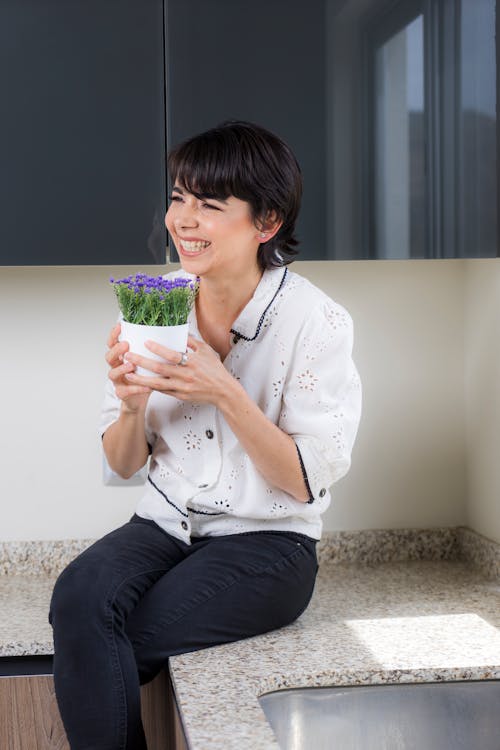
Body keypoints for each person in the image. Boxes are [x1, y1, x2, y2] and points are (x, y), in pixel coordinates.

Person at [49, 120, 362, 749]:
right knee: (78, 596)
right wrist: (132, 404)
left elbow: (303, 481)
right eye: (178, 198)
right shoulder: (153, 302)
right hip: (166, 522)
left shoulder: (316, 321)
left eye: (210, 206)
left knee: (107, 639)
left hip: (268, 542)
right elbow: (122, 464)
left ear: (266, 224)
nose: (183, 220)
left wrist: (223, 388)